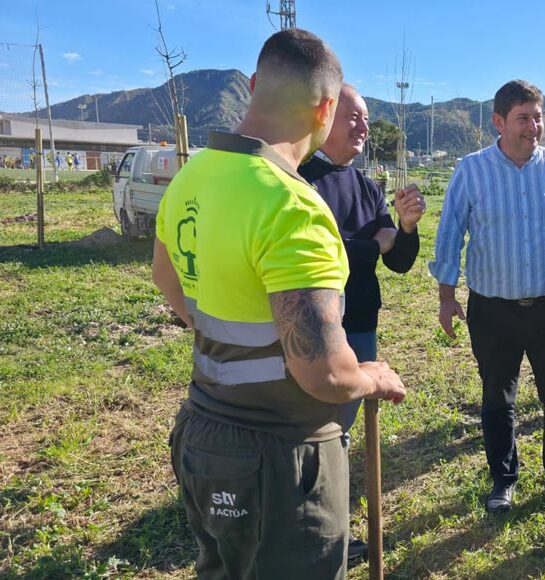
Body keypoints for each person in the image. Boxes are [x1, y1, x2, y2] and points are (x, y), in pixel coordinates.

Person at [151, 29, 406, 579]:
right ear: (326, 107)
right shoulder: (292, 208)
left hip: (202, 433)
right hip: (279, 457)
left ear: (252, 86)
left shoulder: (191, 175)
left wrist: (227, 337)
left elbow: (164, 274)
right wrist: (372, 377)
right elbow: (324, 374)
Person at [429, 79, 545, 519]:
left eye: (538, 116)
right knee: (497, 397)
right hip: (493, 310)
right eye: (524, 117)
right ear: (499, 121)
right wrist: (446, 296)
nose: (535, 126)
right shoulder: (471, 170)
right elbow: (450, 233)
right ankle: (503, 479)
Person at [298, 83, 423, 565]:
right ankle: (313, 527)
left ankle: (332, 526)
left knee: (342, 429)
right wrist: (377, 243)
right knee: (313, 428)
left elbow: (398, 262)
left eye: (368, 120)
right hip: (311, 324)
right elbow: (326, 257)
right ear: (325, 116)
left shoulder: (367, 186)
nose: (364, 128)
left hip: (360, 324)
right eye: (354, 118)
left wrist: (406, 229)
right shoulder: (299, 180)